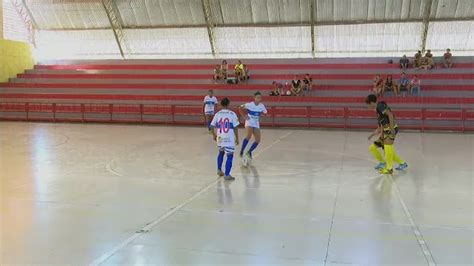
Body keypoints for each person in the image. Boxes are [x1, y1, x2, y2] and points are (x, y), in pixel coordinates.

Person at [366, 94, 408, 174]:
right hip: (385, 131)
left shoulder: (380, 106)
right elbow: (380, 127)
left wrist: (392, 129)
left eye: (368, 105)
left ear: (371, 103)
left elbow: (390, 115)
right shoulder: (378, 112)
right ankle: (399, 163)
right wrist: (372, 135)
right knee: (383, 149)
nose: (368, 107)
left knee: (388, 148)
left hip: (390, 129)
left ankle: (389, 168)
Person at [210, 97, 239, 180]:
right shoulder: (232, 114)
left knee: (221, 153)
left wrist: (214, 135)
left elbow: (211, 126)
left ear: (221, 104)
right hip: (229, 138)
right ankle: (227, 174)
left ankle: (219, 170)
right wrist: (237, 137)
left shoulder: (217, 114)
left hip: (220, 137)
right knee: (230, 155)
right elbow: (235, 127)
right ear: (228, 104)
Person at [238, 91, 268, 164]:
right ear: (254, 98)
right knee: (248, 135)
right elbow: (240, 107)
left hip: (256, 123)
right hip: (249, 122)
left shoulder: (262, 106)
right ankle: (242, 151)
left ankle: (249, 152)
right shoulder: (249, 105)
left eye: (260, 98)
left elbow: (265, 113)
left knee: (258, 140)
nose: (259, 99)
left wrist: (262, 117)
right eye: (257, 97)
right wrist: (244, 116)